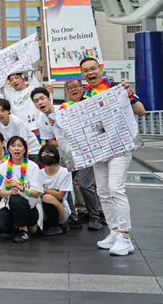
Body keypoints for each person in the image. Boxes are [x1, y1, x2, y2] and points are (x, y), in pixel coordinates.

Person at [79, 57, 146, 257]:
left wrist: (130, 94)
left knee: (116, 189)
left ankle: (125, 237)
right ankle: (114, 231)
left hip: (119, 148)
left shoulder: (118, 88)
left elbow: (141, 111)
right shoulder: (86, 97)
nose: (90, 73)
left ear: (101, 69)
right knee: (103, 192)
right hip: (100, 151)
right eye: (85, 71)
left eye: (93, 69)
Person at [61, 77, 103, 230]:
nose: (73, 89)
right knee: (63, 181)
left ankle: (95, 216)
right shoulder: (64, 108)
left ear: (82, 87)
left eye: (76, 86)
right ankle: (73, 215)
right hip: (71, 152)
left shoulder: (91, 103)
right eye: (70, 87)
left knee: (86, 185)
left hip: (89, 151)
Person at [0, 135, 43, 243]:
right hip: (8, 204)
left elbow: (36, 193)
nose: (16, 149)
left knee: (16, 199)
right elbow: (0, 192)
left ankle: (24, 230)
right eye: (13, 146)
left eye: (19, 146)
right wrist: (10, 191)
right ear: (8, 149)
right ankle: (17, 226)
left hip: (29, 204)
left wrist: (21, 188)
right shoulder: (3, 166)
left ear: (24, 149)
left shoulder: (33, 167)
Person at [39, 144, 72, 236]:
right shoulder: (39, 173)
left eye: (49, 153)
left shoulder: (64, 172)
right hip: (43, 209)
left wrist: (44, 190)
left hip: (61, 209)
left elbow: (60, 195)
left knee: (47, 198)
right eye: (44, 153)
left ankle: (56, 226)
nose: (46, 155)